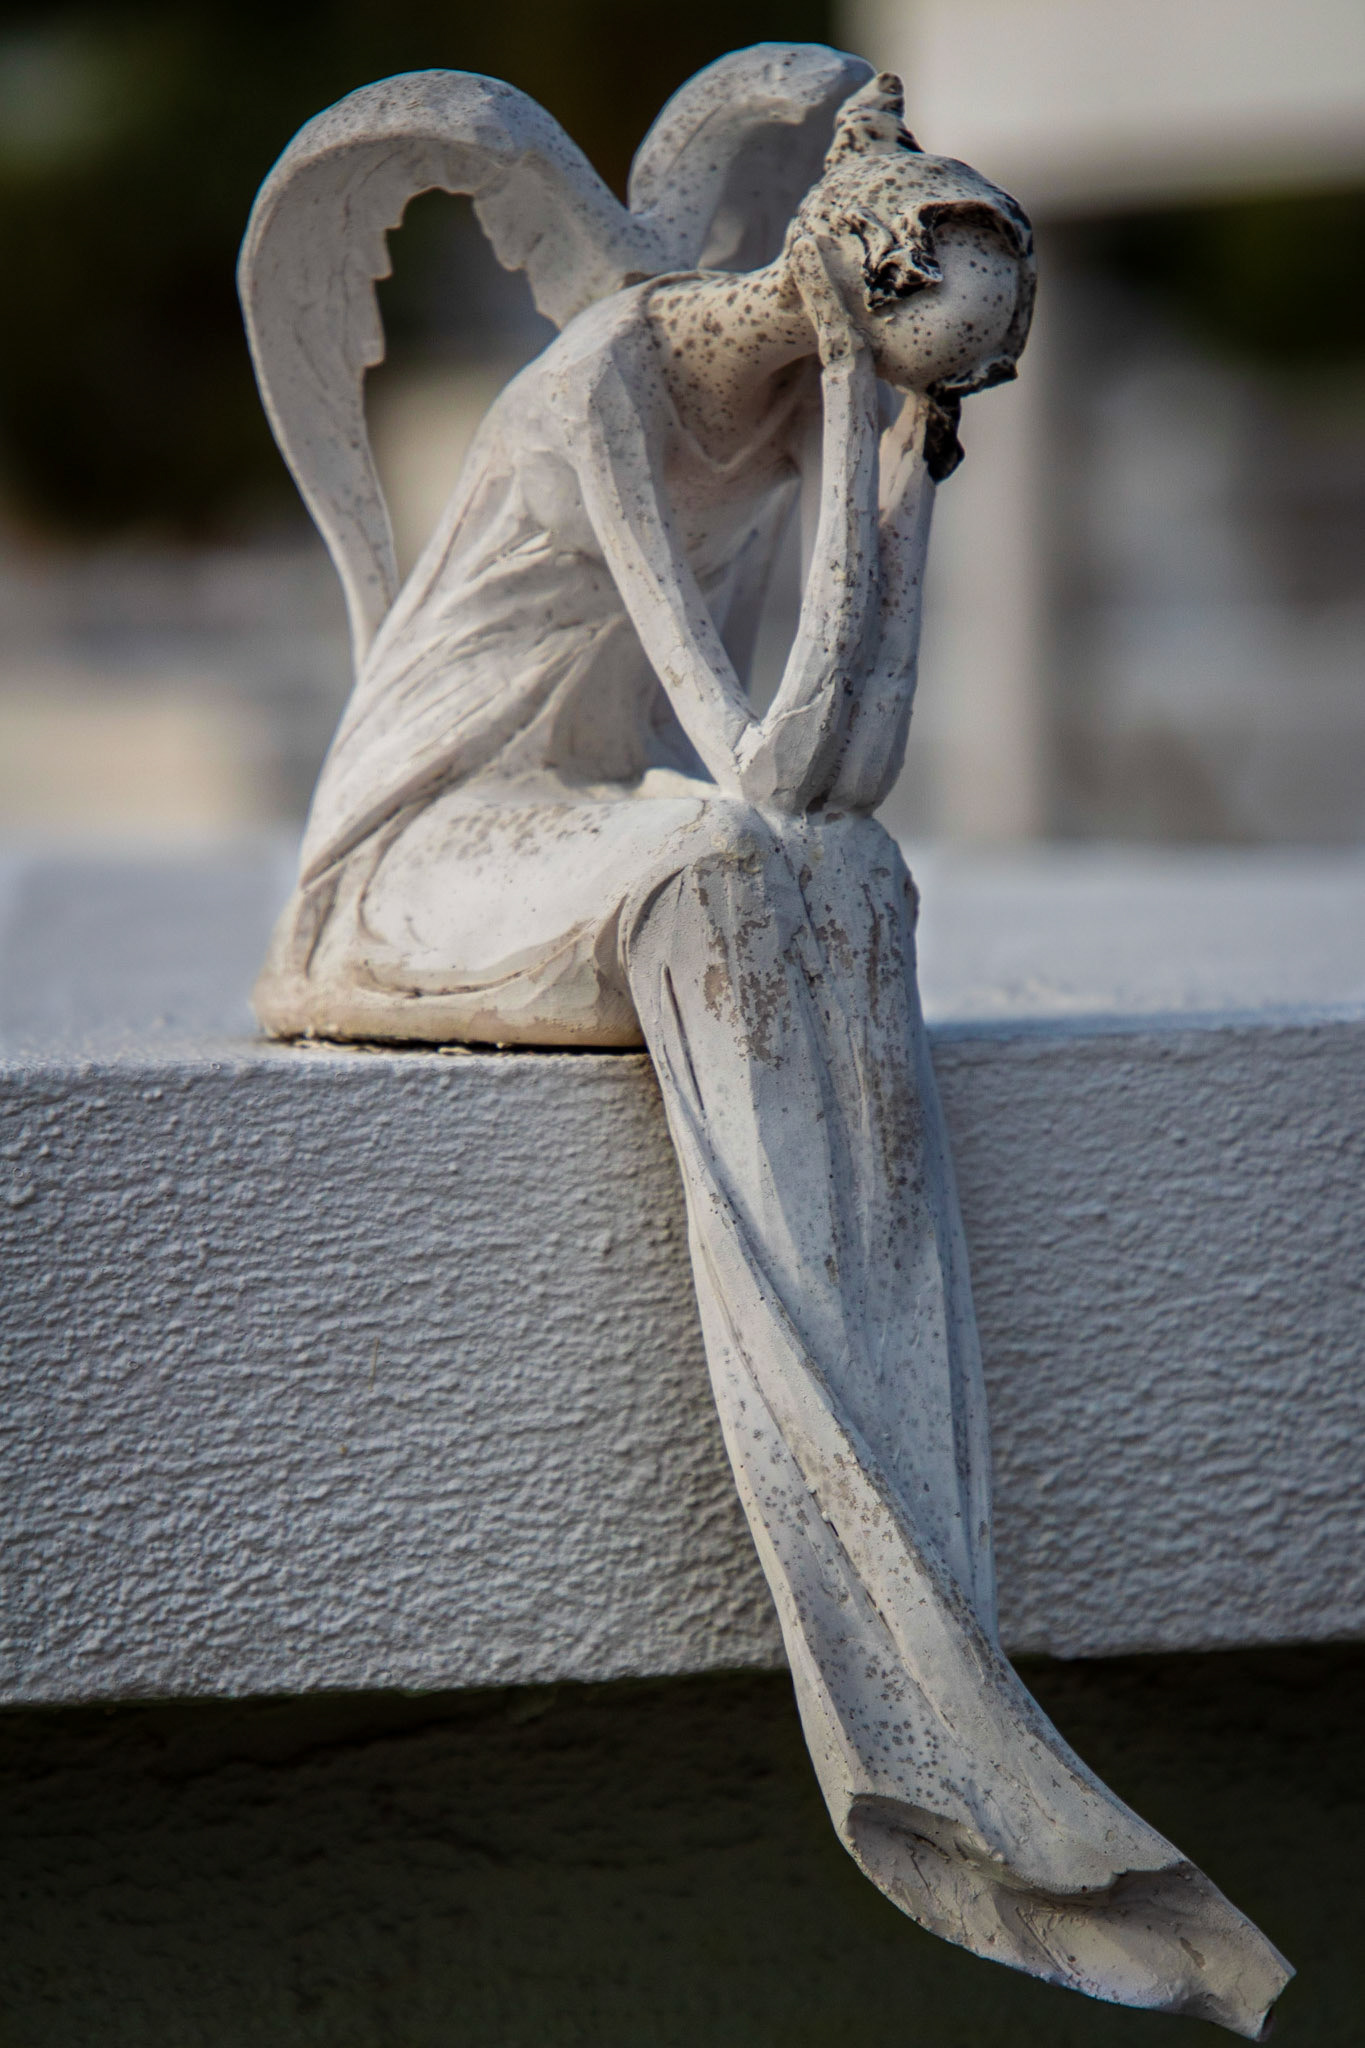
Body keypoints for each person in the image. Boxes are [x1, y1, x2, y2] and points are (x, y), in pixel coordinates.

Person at [252, 71, 1289, 2036]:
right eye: (921, 371)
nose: (923, 412)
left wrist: (888, 467)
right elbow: (747, 764)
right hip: (413, 868)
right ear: (841, 272)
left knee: (860, 886)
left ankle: (934, 1629)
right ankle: (897, 1690)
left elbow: (851, 764)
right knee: (733, 877)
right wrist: (843, 389)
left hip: (592, 834)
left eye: (958, 393)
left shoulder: (848, 415)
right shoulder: (596, 397)